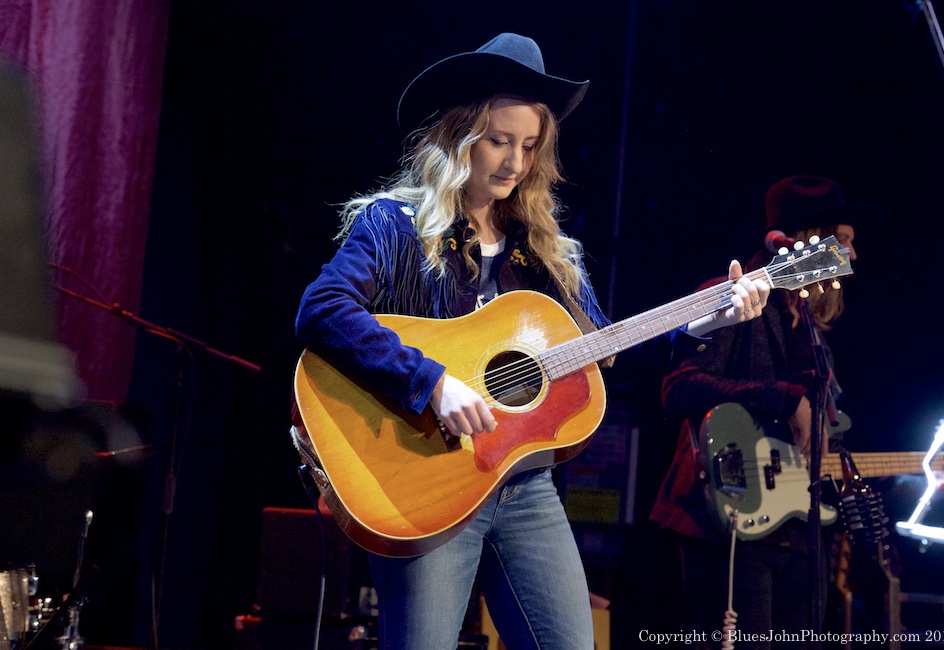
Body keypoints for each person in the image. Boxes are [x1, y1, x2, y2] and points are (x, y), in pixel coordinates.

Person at [292, 33, 770, 650]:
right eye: (498, 140)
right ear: (458, 135)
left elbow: (606, 352)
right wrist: (431, 383)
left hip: (526, 490)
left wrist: (708, 323)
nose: (514, 162)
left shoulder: (548, 253)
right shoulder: (395, 226)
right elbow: (323, 309)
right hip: (427, 481)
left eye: (528, 146)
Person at [649, 175, 944, 649]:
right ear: (805, 242)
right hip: (728, 521)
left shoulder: (814, 338)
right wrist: (783, 397)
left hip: (801, 538)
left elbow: (831, 457)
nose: (852, 255)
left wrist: (925, 479)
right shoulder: (734, 298)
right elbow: (678, 389)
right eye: (843, 240)